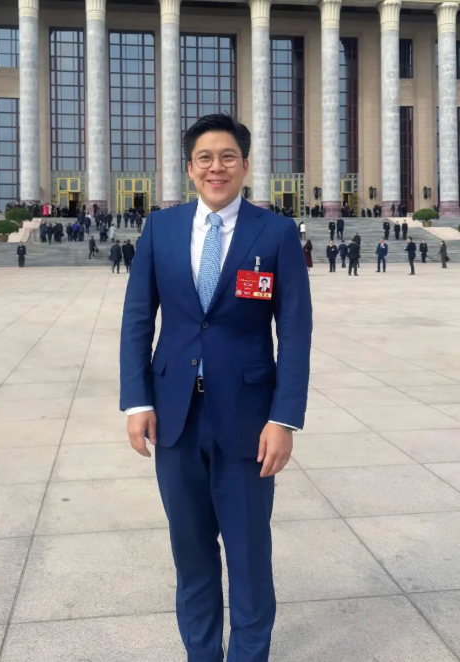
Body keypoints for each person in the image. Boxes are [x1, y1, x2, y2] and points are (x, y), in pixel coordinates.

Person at [120, 113, 312, 662]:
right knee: (192, 555)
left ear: (246, 165)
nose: (216, 167)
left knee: (249, 557)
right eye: (205, 158)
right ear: (189, 168)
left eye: (228, 156)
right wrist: (137, 400)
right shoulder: (161, 229)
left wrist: (284, 418)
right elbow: (138, 319)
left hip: (249, 423)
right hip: (174, 418)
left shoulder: (274, 232)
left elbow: (294, 331)